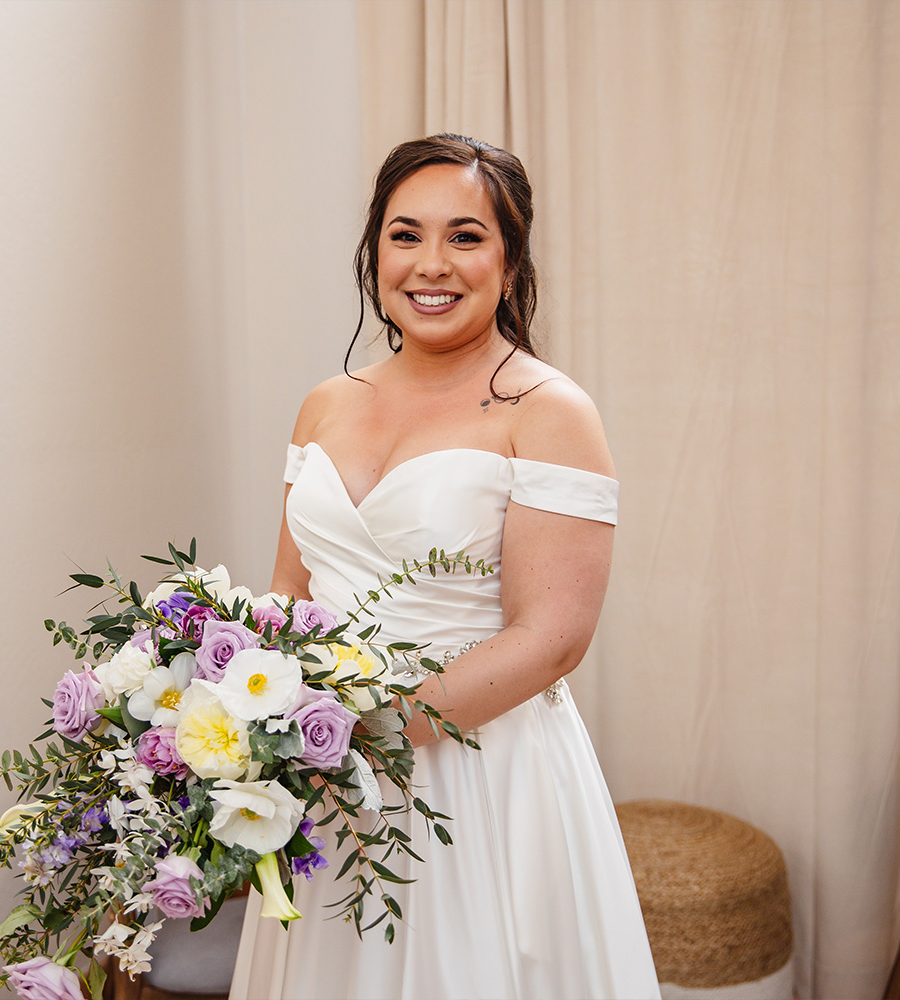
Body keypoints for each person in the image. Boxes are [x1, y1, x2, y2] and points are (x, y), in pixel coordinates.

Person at [228, 134, 660, 999]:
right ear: (373, 253)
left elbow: (551, 639)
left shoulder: (549, 410)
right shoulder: (326, 402)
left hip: (479, 775)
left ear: (510, 261)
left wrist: (364, 737)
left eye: (466, 236)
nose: (432, 264)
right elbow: (289, 591)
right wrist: (249, 728)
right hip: (321, 767)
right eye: (404, 235)